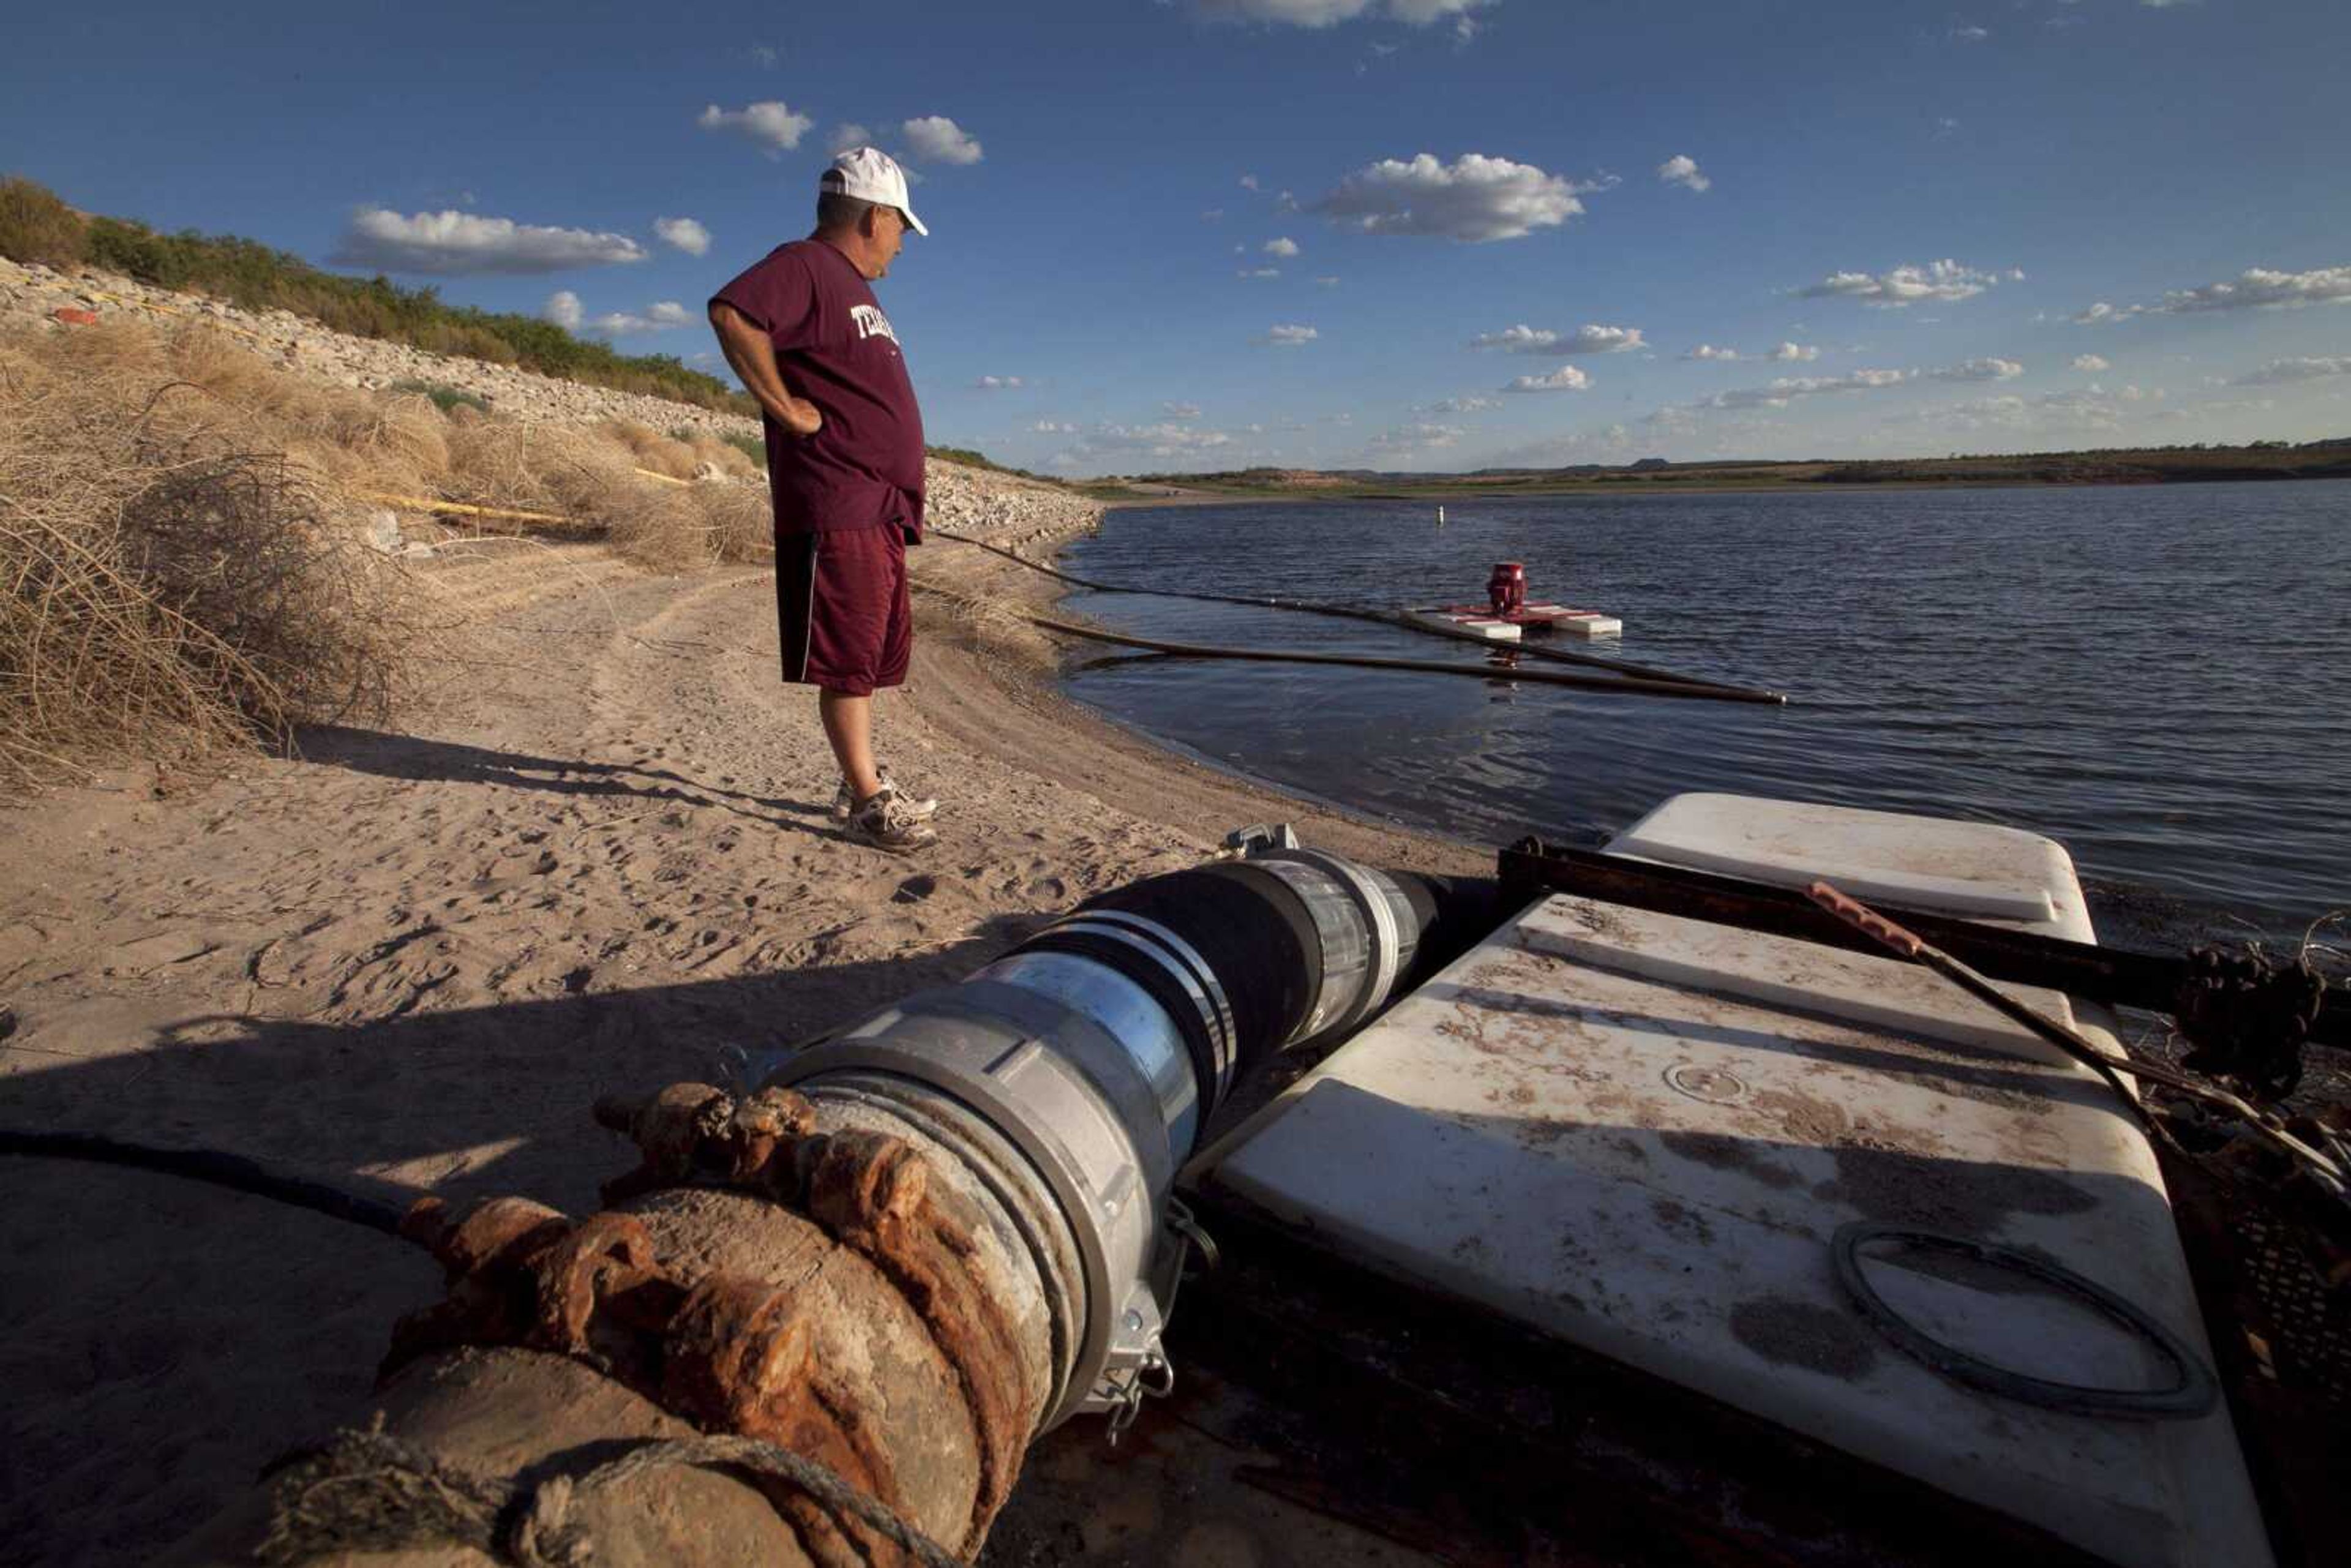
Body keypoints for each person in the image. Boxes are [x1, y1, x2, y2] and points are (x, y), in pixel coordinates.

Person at [707, 147, 940, 853]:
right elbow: (732, 313)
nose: (902, 245)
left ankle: (857, 776)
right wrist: (786, 409)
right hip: (840, 501)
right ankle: (869, 799)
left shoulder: (853, 288)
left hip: (876, 505)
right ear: (875, 215)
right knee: (846, 656)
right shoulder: (807, 265)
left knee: (870, 654)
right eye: (901, 227)